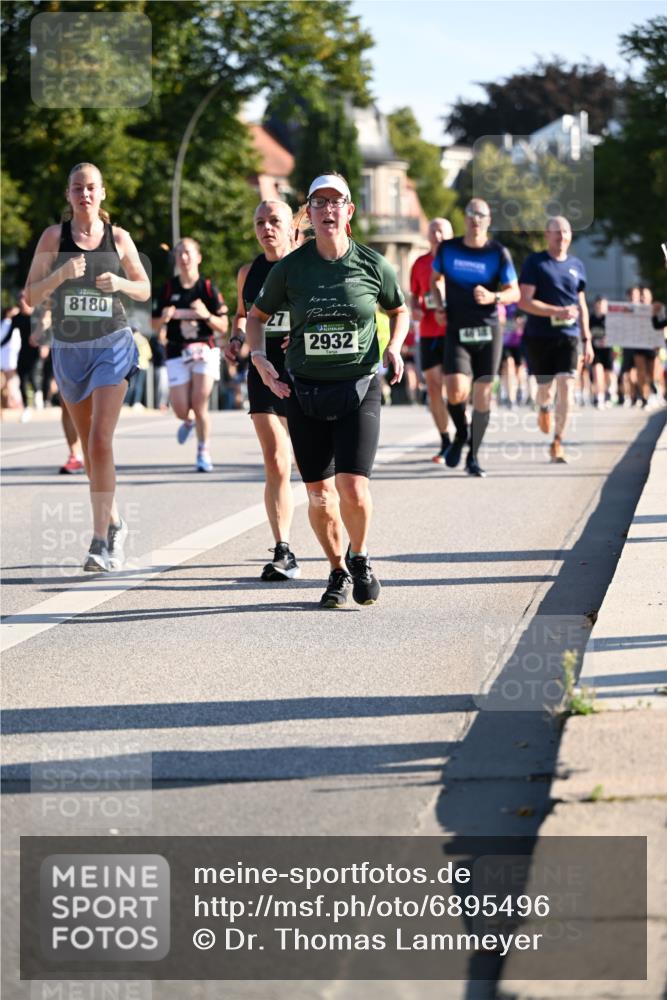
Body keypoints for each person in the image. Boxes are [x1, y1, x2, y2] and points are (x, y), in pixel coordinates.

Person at [246, 172, 409, 608]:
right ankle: (336, 570)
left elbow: (399, 310)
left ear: (348, 211)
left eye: (336, 201)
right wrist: (260, 359)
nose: (328, 209)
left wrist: (394, 346)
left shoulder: (373, 264)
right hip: (305, 391)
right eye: (319, 203)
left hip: (359, 386)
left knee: (353, 487)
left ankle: (360, 556)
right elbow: (257, 317)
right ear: (310, 214)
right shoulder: (291, 269)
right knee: (319, 493)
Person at [24, 161, 151, 571]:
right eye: (77, 188)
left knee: (100, 441)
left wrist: (121, 285)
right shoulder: (52, 237)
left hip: (111, 344)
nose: (85, 194)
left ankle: (100, 544)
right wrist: (60, 273)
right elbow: (30, 295)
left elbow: (144, 289)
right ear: (68, 195)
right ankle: (113, 523)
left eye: (91, 187)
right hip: (69, 348)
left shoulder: (117, 237)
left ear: (103, 193)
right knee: (88, 450)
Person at [224, 199, 301, 581]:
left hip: (304, 373)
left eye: (274, 221)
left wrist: (305, 335)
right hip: (261, 368)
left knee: (311, 463)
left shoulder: (306, 266)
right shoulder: (248, 272)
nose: (266, 228)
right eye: (260, 222)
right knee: (274, 459)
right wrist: (237, 336)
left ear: (291, 228)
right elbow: (242, 313)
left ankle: (345, 542)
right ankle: (283, 549)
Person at [429, 198, 520, 477]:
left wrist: (494, 296)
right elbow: (435, 280)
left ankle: (474, 455)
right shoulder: (448, 248)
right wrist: (440, 305)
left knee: (482, 395)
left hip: (488, 329)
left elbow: (514, 292)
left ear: (488, 220)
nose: (475, 219)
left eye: (481, 215)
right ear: (464, 218)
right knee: (455, 390)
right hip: (457, 327)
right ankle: (460, 434)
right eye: (470, 214)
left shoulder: (498, 252)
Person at [519, 216, 593, 463]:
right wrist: (556, 311)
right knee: (545, 390)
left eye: (566, 232)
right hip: (540, 336)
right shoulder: (535, 262)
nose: (562, 236)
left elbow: (581, 303)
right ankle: (542, 407)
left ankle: (558, 442)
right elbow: (524, 301)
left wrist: (587, 338)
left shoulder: (577, 265)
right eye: (556, 232)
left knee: (567, 385)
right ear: (547, 235)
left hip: (569, 336)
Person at [153, 238, 228, 471]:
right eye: (179, 254)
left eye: (187, 253)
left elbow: (224, 325)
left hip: (204, 350)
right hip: (177, 351)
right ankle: (187, 421)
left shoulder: (207, 288)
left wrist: (205, 315)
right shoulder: (167, 288)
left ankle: (203, 451)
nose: (183, 258)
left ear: (198, 257)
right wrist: (163, 318)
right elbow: (153, 325)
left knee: (199, 402)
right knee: (180, 409)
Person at [409, 217, 454, 462]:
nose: (437, 236)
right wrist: (415, 309)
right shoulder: (419, 264)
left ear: (451, 235)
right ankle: (445, 439)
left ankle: (461, 424)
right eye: (433, 231)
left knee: (455, 387)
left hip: (453, 333)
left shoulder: (458, 262)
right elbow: (415, 297)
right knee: (435, 387)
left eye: (442, 232)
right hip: (428, 333)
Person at [589, 296, 613, 407]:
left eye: (602, 305)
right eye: (598, 305)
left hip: (607, 350)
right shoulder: (591, 318)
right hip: (596, 350)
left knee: (608, 375)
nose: (600, 307)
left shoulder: (610, 319)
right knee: (597, 373)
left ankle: (608, 392)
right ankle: (600, 397)